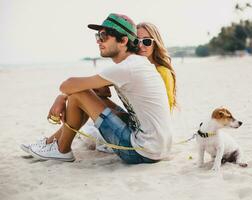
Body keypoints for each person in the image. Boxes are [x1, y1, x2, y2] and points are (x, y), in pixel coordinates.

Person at [21, 13, 172, 164]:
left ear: (123, 41)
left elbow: (67, 85)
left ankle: (62, 149)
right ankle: (50, 143)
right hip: (156, 147)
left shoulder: (128, 67)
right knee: (87, 95)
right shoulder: (135, 64)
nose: (99, 41)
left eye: (104, 36)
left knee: (79, 95)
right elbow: (100, 91)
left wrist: (63, 95)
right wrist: (62, 97)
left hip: (142, 152)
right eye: (98, 36)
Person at [136, 22, 176, 110]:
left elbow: (166, 109)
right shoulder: (135, 70)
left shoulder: (163, 72)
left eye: (147, 41)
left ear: (155, 44)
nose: (140, 45)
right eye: (136, 41)